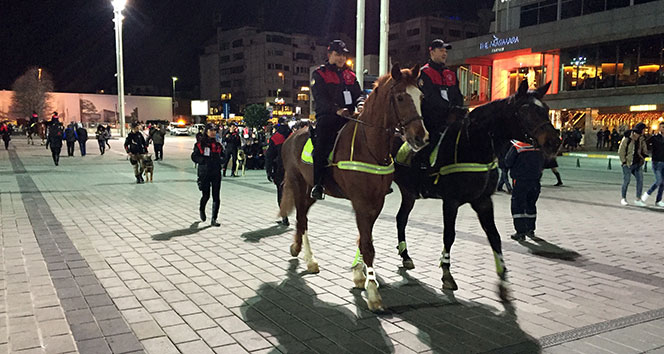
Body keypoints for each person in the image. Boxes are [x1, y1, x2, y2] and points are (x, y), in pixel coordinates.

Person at [310, 39, 365, 200]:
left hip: (350, 117)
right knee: (321, 148)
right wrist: (337, 110)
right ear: (329, 55)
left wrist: (361, 104)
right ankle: (318, 184)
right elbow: (320, 98)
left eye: (343, 55)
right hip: (328, 117)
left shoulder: (350, 75)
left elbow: (359, 94)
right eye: (337, 54)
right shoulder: (319, 74)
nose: (341, 58)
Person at [505, 139, 544, 241]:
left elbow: (508, 162)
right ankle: (530, 230)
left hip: (520, 181)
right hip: (535, 181)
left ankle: (520, 232)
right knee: (531, 205)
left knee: (518, 205)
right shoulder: (538, 147)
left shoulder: (517, 146)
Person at [191, 123, 224, 226]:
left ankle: (214, 219)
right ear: (206, 131)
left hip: (216, 172)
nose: (213, 132)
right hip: (204, 173)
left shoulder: (218, 145)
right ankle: (202, 209)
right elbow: (194, 156)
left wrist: (221, 160)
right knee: (206, 195)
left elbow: (224, 156)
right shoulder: (200, 144)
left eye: (215, 130)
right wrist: (203, 161)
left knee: (216, 196)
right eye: (211, 130)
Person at [265, 118, 292, 225]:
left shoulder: (275, 138)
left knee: (281, 193)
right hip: (294, 169)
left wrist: (269, 171)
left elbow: (269, 156)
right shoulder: (294, 136)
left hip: (280, 170)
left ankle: (284, 217)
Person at [618, 122, 648, 206]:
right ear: (640, 130)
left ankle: (638, 199)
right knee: (626, 181)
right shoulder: (627, 138)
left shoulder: (641, 139)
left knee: (640, 180)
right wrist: (624, 162)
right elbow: (621, 151)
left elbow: (644, 149)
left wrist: (644, 156)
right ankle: (623, 198)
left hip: (637, 164)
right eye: (643, 130)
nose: (644, 132)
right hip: (628, 163)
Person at [641, 122, 664, 207]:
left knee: (663, 183)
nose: (663, 129)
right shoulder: (655, 138)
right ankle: (646, 195)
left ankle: (658, 200)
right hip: (656, 162)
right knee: (658, 181)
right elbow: (645, 144)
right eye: (662, 127)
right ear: (659, 128)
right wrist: (645, 153)